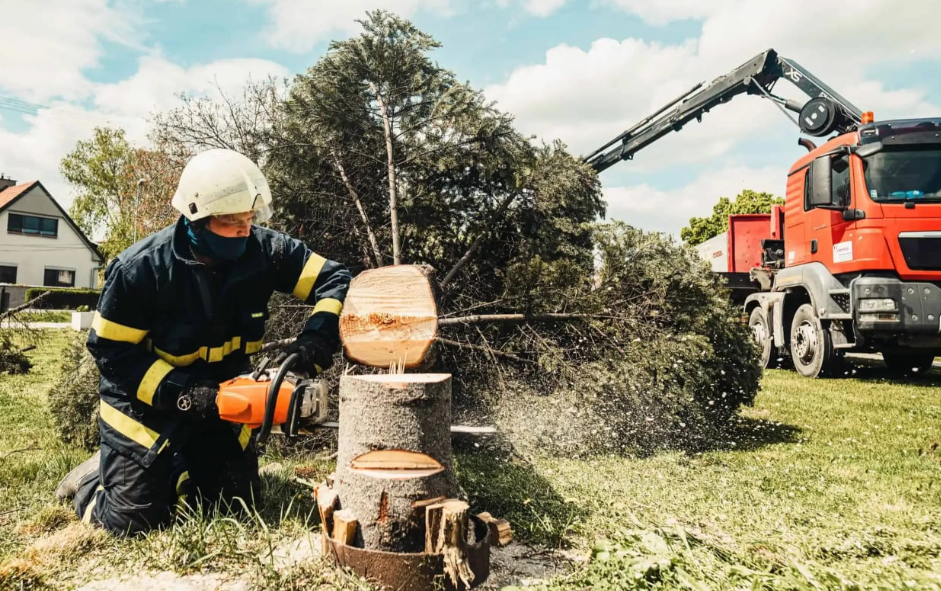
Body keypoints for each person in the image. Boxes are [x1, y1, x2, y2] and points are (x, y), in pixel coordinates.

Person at [55, 148, 352, 536]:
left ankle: (177, 468)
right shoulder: (140, 270)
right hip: (143, 404)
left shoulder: (266, 252)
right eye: (232, 223)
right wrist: (188, 395)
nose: (246, 231)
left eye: (250, 218)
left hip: (223, 397)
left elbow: (335, 279)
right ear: (196, 219)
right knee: (133, 522)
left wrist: (315, 342)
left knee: (235, 505)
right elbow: (113, 354)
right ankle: (93, 481)